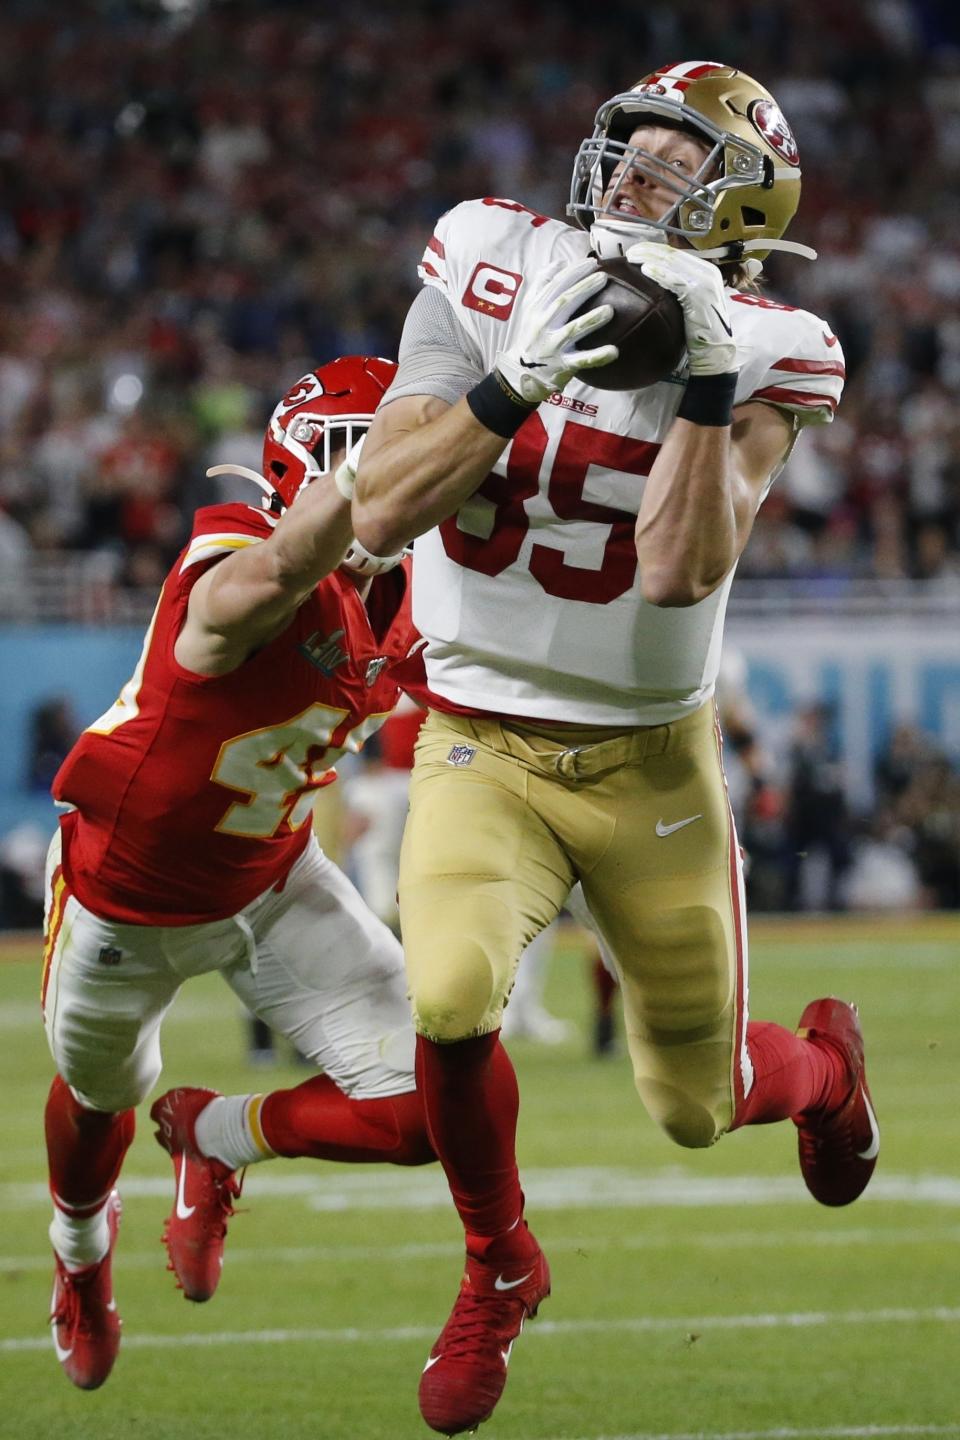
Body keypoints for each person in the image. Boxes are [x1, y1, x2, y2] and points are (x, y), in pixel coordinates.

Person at [353, 61, 878, 1436]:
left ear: (742, 198)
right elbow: (380, 508)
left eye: (677, 156)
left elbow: (674, 571)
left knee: (694, 1107)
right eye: (630, 144)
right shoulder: (487, 257)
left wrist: (705, 385)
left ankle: (824, 1076)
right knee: (453, 1000)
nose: (636, 171)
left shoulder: (775, 345)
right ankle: (496, 1265)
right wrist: (513, 381)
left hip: (648, 763)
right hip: (478, 739)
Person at [40, 356, 438, 1393]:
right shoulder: (240, 548)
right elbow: (250, 594)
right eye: (376, 453)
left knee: (428, 1107)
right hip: (126, 897)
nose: (405, 474)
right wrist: (353, 492)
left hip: (274, 882)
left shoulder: (415, 590)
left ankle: (215, 1136)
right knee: (98, 1094)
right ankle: (80, 1260)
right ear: (308, 468)